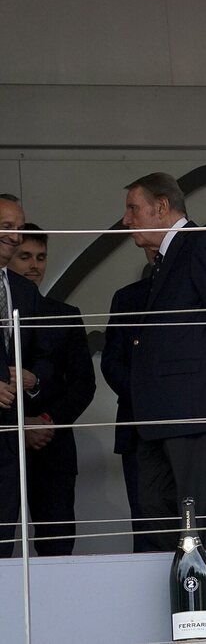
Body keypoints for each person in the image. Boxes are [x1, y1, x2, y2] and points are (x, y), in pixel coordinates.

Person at [121, 172, 206, 550]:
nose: (126, 220)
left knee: (199, 526)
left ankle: (202, 605)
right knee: (155, 520)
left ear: (161, 207)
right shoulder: (164, 258)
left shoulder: (200, 245)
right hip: (155, 418)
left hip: (194, 413)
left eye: (133, 209)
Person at [8, 224, 96, 555]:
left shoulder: (65, 315)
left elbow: (83, 385)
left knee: (57, 548)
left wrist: (45, 420)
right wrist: (19, 428)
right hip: (5, 447)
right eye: (25, 256)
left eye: (41, 257)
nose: (34, 265)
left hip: (52, 444)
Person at [0, 195, 54, 558]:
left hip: (8, 439)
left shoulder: (24, 291)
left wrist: (33, 381)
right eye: (7, 227)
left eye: (19, 229)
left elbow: (48, 355)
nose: (16, 237)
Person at [101, 247, 156, 553]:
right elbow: (111, 362)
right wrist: (148, 397)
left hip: (191, 428)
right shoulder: (128, 298)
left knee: (195, 526)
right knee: (146, 526)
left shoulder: (200, 295)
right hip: (138, 428)